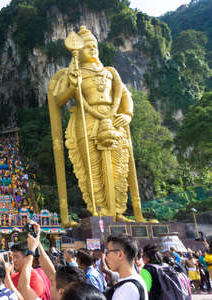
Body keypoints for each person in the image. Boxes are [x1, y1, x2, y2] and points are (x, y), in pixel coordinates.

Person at [49, 25, 145, 223]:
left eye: (94, 45)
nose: (92, 49)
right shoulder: (73, 73)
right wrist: (73, 86)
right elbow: (58, 100)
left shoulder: (110, 72)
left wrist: (126, 114)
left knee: (119, 166)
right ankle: (99, 210)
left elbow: (125, 96)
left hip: (113, 120)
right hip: (87, 121)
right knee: (92, 169)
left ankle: (119, 211)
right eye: (87, 46)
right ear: (79, 51)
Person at [104, 235, 147, 300]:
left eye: (108, 252)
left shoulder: (128, 288)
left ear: (120, 255)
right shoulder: (136, 280)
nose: (106, 257)